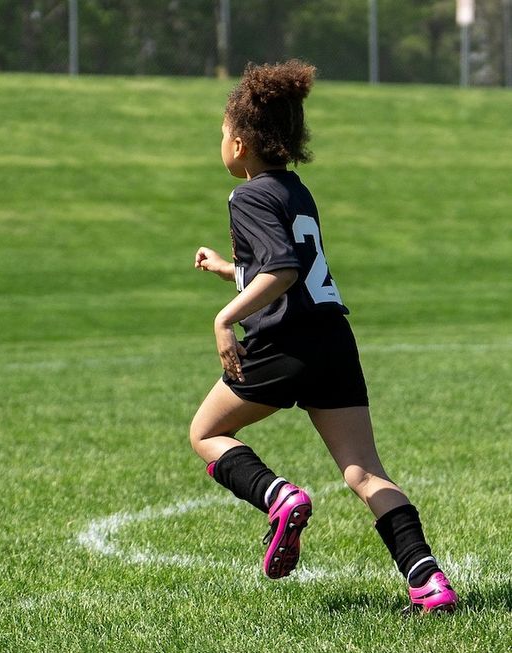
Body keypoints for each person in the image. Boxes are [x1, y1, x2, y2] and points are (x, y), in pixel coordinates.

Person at [189, 60, 457, 614]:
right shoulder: (294, 190)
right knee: (363, 472)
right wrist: (228, 270)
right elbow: (290, 268)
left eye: (220, 133)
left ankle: (278, 497)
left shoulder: (246, 197)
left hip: (284, 342)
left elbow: (282, 270)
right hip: (332, 339)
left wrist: (223, 320)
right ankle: (427, 581)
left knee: (206, 433)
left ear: (239, 144)